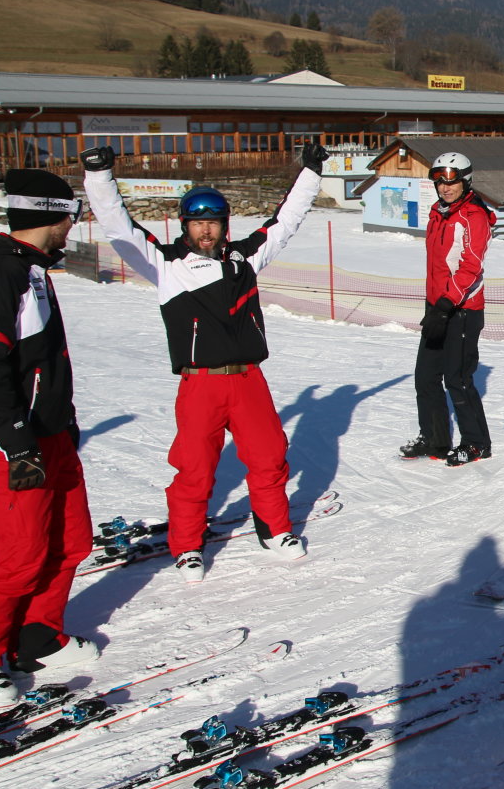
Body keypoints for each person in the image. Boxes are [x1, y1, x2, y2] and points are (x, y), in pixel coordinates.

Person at [81, 143, 326, 584]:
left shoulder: (244, 259)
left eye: (213, 222)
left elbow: (285, 221)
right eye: (197, 223)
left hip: (248, 380)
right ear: (185, 226)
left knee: (269, 458)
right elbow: (120, 227)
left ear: (224, 225)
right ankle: (188, 546)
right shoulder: (166, 265)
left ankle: (275, 531)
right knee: (194, 469)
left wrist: (310, 172)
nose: (206, 231)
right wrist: (99, 177)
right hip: (201, 385)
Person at [0, 169, 100, 705]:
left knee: (72, 541)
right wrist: (15, 441)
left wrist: (63, 420)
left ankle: (37, 636)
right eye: (71, 214)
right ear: (50, 215)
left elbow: (41, 359)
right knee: (20, 555)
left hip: (49, 432)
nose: (73, 225)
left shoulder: (29, 266)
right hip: (11, 440)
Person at [398, 152, 495, 467]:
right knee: (425, 376)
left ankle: (476, 443)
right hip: (437, 306)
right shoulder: (438, 212)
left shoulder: (473, 216)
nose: (445, 187)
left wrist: (446, 303)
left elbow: (471, 266)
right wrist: (435, 305)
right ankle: (435, 439)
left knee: (457, 378)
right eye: (440, 182)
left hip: (462, 309)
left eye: (451, 181)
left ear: (466, 181)